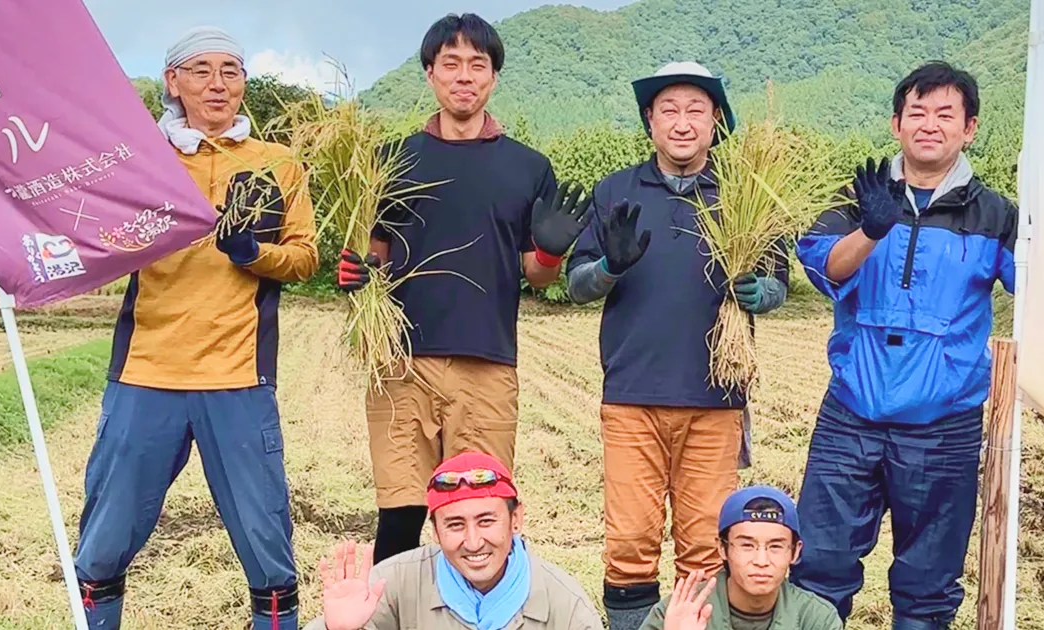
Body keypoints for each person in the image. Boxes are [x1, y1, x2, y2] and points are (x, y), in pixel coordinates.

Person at [71, 26, 318, 630]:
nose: (217, 83)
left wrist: (253, 253)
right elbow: (96, 240)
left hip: (238, 376)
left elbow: (305, 256)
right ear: (172, 82)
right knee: (106, 533)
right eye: (201, 70)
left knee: (266, 541)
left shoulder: (274, 164)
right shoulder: (137, 159)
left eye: (230, 70)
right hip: (146, 371)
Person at [336, 13, 588, 564]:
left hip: (488, 365)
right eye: (451, 63)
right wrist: (356, 275)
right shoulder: (390, 160)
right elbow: (370, 256)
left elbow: (538, 274)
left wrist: (549, 250)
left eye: (478, 64)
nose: (464, 76)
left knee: (482, 516)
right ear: (429, 73)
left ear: (494, 77)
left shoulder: (528, 167)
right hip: (401, 364)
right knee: (400, 516)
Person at [791, 61, 1018, 630]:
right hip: (851, 416)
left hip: (944, 428)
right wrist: (871, 228)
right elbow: (824, 269)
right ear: (896, 124)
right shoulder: (856, 193)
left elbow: (1036, 286)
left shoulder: (995, 215)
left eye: (946, 114)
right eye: (916, 112)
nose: (929, 125)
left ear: (969, 129)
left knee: (928, 586)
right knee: (819, 567)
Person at [564, 61, 789, 630]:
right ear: (649, 120)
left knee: (704, 549)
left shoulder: (746, 190)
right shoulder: (616, 189)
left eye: (696, 110)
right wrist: (610, 266)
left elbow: (778, 283)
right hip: (632, 395)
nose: (682, 122)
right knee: (630, 542)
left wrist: (759, 293)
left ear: (716, 120)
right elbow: (575, 283)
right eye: (669, 110)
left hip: (715, 397)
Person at [301, 452, 604, 630]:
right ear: (434, 530)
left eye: (486, 521)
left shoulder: (566, 608)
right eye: (455, 525)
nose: (473, 542)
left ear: (516, 520)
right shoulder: (390, 585)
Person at [641, 486, 842, 630]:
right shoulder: (679, 613)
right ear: (722, 548)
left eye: (775, 546)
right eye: (747, 545)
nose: (761, 561)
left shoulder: (816, 619)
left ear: (795, 552)